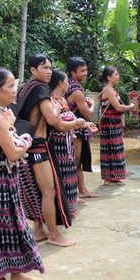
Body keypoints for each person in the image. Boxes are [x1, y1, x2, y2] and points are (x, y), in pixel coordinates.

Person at [0, 67, 44, 280]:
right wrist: (26, 144)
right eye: (11, 86)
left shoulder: (0, 112)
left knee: (14, 223)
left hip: (3, 176)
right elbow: (13, 153)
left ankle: (16, 272)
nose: (15, 90)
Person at [16, 54, 86, 248]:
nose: (49, 71)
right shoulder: (40, 89)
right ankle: (54, 235)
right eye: (44, 67)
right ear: (32, 70)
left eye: (50, 67)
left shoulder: (26, 88)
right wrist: (55, 108)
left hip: (28, 144)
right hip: (38, 145)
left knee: (38, 190)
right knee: (49, 191)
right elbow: (52, 120)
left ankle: (38, 230)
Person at [50, 70, 97, 217]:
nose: (68, 83)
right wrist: (78, 122)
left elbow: (69, 121)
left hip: (67, 143)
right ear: (60, 83)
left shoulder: (62, 101)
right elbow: (60, 125)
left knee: (69, 174)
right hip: (58, 144)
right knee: (62, 176)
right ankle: (63, 209)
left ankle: (69, 206)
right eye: (66, 80)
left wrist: (84, 124)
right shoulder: (51, 102)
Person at [64, 57, 99, 200]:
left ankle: (81, 190)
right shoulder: (76, 91)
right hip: (75, 129)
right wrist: (91, 104)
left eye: (86, 70)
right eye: (82, 71)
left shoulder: (70, 87)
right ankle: (74, 192)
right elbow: (88, 114)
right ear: (73, 73)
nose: (85, 73)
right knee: (74, 160)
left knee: (75, 161)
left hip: (75, 128)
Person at [99, 66, 135, 185]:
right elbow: (118, 107)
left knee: (115, 149)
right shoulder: (108, 90)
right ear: (109, 77)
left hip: (114, 124)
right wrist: (130, 107)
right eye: (116, 74)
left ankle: (114, 176)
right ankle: (109, 177)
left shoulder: (111, 90)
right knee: (111, 150)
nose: (118, 76)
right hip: (109, 125)